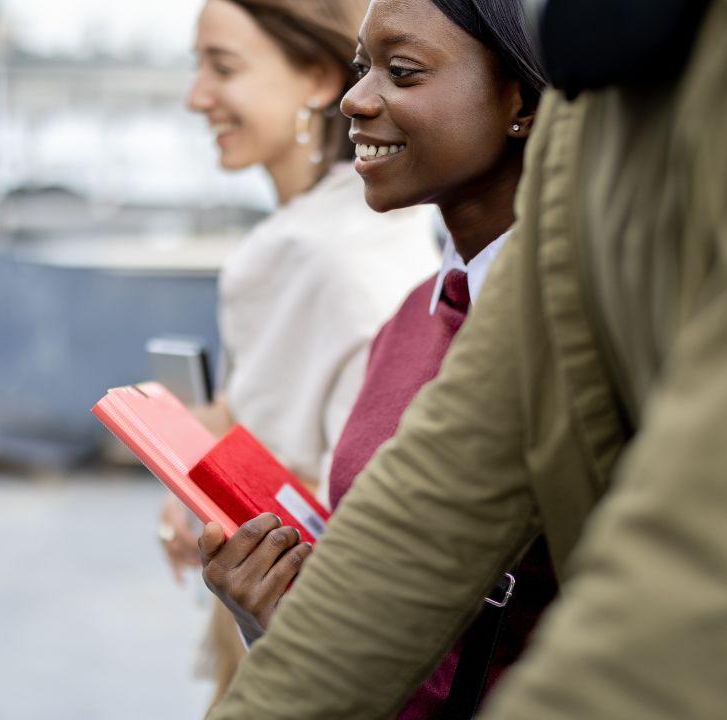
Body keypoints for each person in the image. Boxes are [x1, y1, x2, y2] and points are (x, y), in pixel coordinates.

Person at [201, 0, 727, 717]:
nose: (360, 100)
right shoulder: (602, 102)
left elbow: (722, 571)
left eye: (401, 71)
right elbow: (440, 493)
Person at [196, 0, 555, 716]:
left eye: (404, 71)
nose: (355, 99)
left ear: (519, 102)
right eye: (362, 68)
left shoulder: (567, 334)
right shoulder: (413, 317)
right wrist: (273, 617)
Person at [157, 0, 439, 703]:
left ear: (317, 78)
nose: (196, 96)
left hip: (297, 634)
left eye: (223, 67)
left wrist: (201, 475)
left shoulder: (309, 255)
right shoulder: (382, 227)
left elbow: (321, 478)